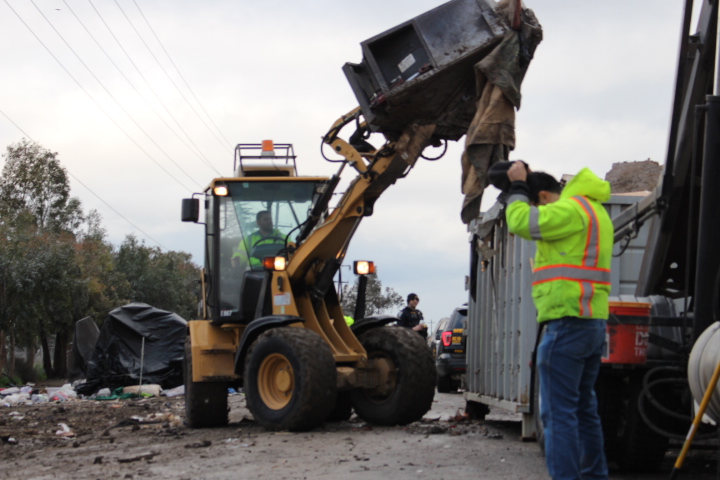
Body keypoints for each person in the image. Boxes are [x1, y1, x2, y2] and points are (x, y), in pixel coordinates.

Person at [505, 161, 612, 480]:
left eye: (536, 203)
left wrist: (516, 188)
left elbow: (521, 222)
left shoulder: (569, 210)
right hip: (591, 322)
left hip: (566, 324)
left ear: (543, 197)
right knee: (583, 410)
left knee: (558, 415)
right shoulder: (595, 212)